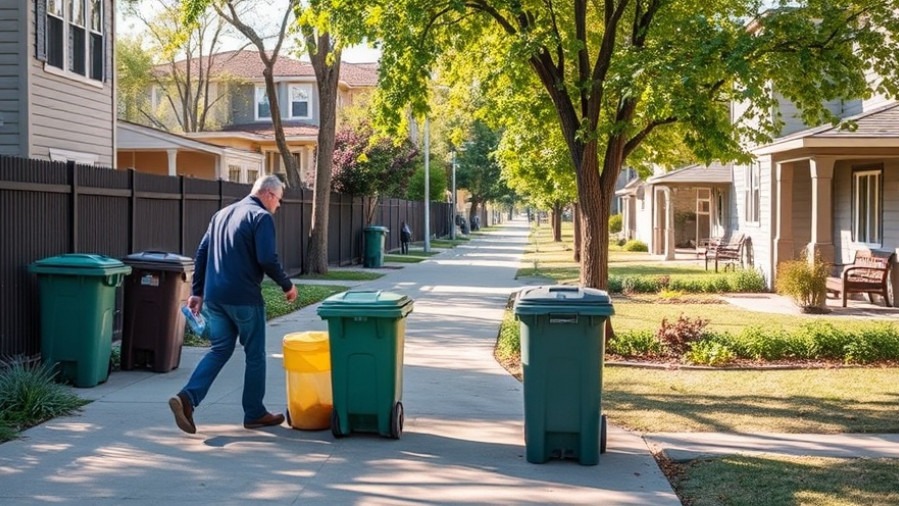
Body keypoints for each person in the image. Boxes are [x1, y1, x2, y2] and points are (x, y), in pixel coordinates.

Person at [168, 175, 298, 434]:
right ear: (269, 195)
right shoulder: (261, 217)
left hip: (215, 298)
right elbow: (267, 258)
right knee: (255, 355)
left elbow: (202, 252)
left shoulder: (221, 215)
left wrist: (197, 292)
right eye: (279, 200)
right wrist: (287, 284)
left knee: (220, 350)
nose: (279, 206)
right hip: (244, 298)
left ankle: (187, 398)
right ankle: (254, 413)